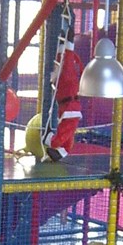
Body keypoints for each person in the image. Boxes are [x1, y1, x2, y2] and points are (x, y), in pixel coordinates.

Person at [43, 26, 83, 161]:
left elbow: (65, 61)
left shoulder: (62, 77)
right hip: (70, 107)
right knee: (66, 135)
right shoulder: (63, 77)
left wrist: (66, 43)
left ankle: (54, 145)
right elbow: (65, 61)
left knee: (66, 135)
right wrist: (67, 43)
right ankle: (53, 144)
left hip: (69, 107)